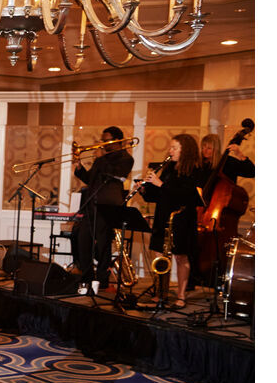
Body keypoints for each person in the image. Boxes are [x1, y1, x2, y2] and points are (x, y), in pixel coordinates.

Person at [139, 134, 202, 309]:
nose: (170, 151)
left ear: (185, 150)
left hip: (181, 218)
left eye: (174, 148)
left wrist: (160, 185)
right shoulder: (169, 168)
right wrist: (145, 189)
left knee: (181, 256)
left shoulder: (194, 170)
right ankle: (161, 293)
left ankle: (181, 295)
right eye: (170, 147)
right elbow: (159, 195)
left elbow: (186, 196)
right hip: (163, 216)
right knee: (159, 255)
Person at [71, 126, 134, 291]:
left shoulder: (126, 158)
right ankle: (86, 278)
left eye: (107, 140)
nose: (103, 143)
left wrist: (102, 159)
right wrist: (78, 166)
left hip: (108, 206)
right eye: (103, 140)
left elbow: (117, 176)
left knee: (103, 245)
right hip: (91, 205)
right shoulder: (101, 160)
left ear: (117, 141)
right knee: (82, 241)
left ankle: (102, 280)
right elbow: (89, 179)